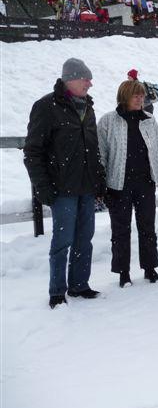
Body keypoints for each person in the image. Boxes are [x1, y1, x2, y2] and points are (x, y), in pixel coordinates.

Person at [23, 58, 106, 309]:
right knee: (62, 242)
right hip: (62, 189)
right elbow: (33, 152)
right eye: (85, 79)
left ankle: (79, 285)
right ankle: (57, 291)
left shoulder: (88, 108)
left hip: (86, 187)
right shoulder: (46, 107)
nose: (90, 83)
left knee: (85, 239)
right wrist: (43, 187)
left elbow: (93, 149)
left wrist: (99, 180)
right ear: (70, 79)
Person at [98, 80, 158, 288]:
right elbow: (101, 153)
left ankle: (150, 268)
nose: (140, 99)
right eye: (135, 96)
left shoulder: (149, 120)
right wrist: (100, 183)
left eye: (142, 96)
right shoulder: (108, 121)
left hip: (145, 182)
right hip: (118, 184)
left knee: (147, 227)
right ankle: (123, 272)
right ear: (124, 97)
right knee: (121, 229)